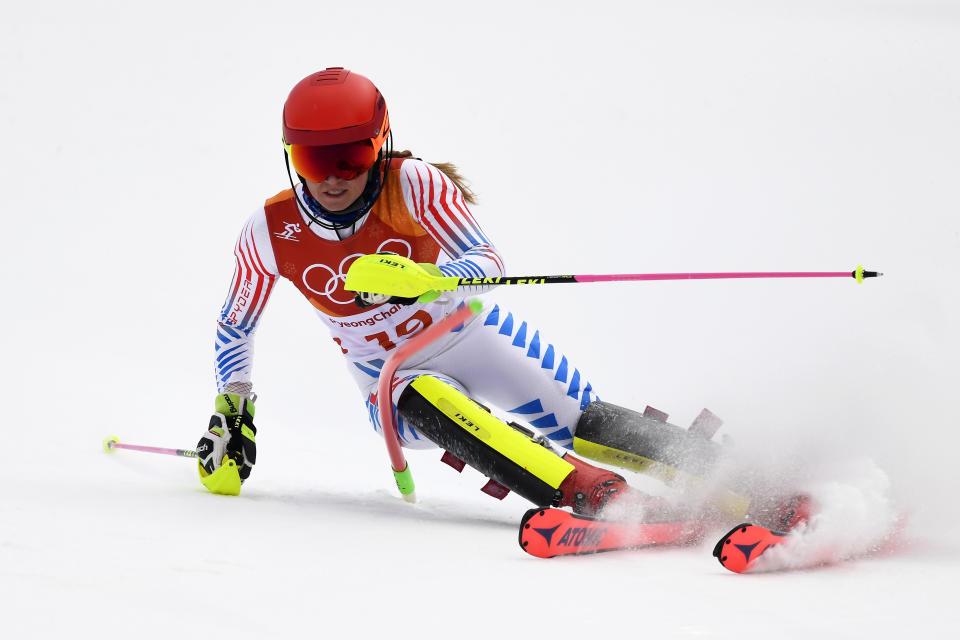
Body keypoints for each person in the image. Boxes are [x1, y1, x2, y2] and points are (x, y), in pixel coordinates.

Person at [197, 67, 800, 528]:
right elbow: (235, 324)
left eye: (350, 157)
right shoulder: (270, 231)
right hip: (389, 377)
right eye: (312, 158)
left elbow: (488, 263)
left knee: (582, 422)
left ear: (380, 145)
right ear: (289, 156)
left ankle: (755, 481)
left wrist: (427, 280)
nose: (331, 177)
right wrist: (234, 406)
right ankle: (601, 498)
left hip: (470, 336)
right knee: (428, 399)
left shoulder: (415, 186)